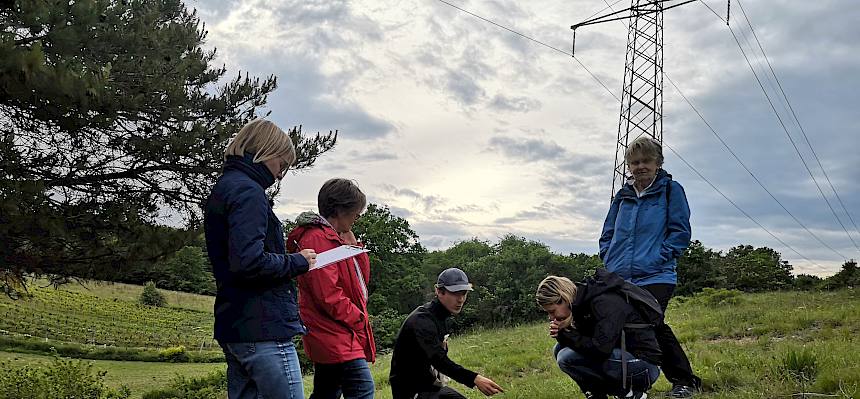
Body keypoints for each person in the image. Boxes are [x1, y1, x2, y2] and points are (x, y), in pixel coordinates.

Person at [204, 119, 318, 399]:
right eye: (282, 165)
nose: (280, 175)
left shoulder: (225, 187)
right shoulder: (248, 192)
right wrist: (298, 262)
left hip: (234, 325)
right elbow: (249, 262)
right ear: (266, 152)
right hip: (262, 327)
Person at [599, 136, 702, 397]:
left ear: (658, 163)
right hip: (619, 275)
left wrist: (659, 258)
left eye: (646, 161)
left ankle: (683, 382)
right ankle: (633, 380)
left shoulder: (671, 190)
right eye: (634, 162)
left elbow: (680, 231)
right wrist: (608, 257)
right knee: (628, 324)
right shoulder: (622, 197)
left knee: (648, 323)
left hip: (656, 274)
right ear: (628, 166)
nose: (640, 166)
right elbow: (607, 233)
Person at [286, 178, 376, 399]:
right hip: (334, 333)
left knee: (327, 391)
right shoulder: (317, 238)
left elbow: (359, 282)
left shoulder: (332, 238)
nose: (358, 216)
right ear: (340, 209)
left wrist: (352, 247)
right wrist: (358, 318)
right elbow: (327, 294)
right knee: (362, 389)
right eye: (356, 211)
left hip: (334, 332)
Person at [536, 271, 662, 399]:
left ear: (564, 298)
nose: (551, 317)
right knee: (558, 349)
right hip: (625, 357)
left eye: (552, 311)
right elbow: (585, 342)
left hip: (645, 366)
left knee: (566, 357)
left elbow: (601, 349)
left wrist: (568, 334)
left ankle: (629, 394)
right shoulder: (582, 303)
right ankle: (596, 395)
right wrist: (562, 332)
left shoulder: (603, 302)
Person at [389, 268, 504, 399]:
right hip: (411, 392)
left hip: (429, 387)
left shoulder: (441, 316)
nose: (460, 299)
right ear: (439, 291)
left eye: (464, 293)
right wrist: (474, 379)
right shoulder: (422, 321)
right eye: (455, 293)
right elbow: (439, 360)